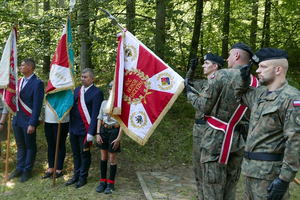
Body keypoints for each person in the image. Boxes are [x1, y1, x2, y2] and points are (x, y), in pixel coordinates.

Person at [185, 42, 253, 199]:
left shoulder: (223, 75)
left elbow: (204, 106)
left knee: (213, 187)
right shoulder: (255, 81)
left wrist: (189, 94)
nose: (227, 58)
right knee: (230, 187)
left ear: (236, 55)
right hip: (239, 141)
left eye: (229, 55)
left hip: (217, 139)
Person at [235, 47, 300, 200]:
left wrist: (284, 179)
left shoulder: (292, 98)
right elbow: (239, 96)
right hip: (250, 171)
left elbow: (295, 141)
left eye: (263, 67)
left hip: (270, 175)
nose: (258, 71)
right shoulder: (260, 94)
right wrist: (244, 81)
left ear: (278, 69)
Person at [186, 53, 224, 199]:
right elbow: (187, 84)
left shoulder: (221, 84)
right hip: (199, 129)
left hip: (213, 129)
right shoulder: (202, 84)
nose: (203, 65)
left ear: (215, 66)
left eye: (206, 63)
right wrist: (192, 68)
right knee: (197, 167)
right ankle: (200, 195)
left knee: (210, 168)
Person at [65, 68, 103, 188]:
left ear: (92, 79)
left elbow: (96, 114)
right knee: (75, 154)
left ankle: (83, 177)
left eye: (85, 77)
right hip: (74, 128)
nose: (82, 79)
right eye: (81, 77)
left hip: (86, 130)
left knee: (84, 154)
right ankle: (76, 175)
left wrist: (92, 132)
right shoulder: (76, 90)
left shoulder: (97, 93)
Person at [8, 58, 44, 182]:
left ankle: (27, 170)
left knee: (30, 145)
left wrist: (33, 123)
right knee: (20, 145)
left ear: (30, 67)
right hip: (17, 120)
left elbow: (37, 105)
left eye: (23, 65)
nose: (20, 67)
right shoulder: (19, 81)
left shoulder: (38, 83)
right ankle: (19, 168)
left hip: (28, 120)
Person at [95, 81, 123, 194]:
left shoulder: (120, 105)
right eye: (110, 89)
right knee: (103, 156)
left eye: (114, 89)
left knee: (112, 158)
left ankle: (111, 183)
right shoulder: (104, 103)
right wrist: (98, 134)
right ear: (109, 90)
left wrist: (119, 138)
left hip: (114, 131)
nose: (112, 91)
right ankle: (103, 182)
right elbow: (99, 118)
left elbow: (123, 123)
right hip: (103, 130)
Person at [41, 104, 69, 179]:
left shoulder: (66, 91)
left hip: (61, 120)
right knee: (50, 145)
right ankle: (51, 169)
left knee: (59, 144)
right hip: (48, 120)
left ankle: (59, 170)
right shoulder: (48, 91)